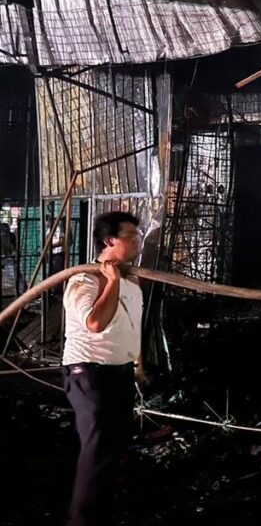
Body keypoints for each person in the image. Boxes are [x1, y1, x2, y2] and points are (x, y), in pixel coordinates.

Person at [62, 211, 144, 526]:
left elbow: (130, 324)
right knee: (97, 449)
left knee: (114, 446)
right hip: (89, 373)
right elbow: (96, 323)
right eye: (130, 235)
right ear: (109, 240)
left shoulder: (131, 279)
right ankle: (80, 520)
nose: (136, 240)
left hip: (119, 371)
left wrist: (137, 362)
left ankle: (101, 512)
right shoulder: (85, 278)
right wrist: (111, 282)